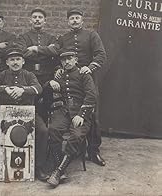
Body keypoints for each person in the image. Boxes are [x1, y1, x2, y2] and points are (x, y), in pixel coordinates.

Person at [0, 45, 49, 181]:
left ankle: (39, 167)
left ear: (23, 61)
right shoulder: (1, 75)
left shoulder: (29, 75)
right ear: (7, 62)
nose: (15, 62)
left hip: (27, 114)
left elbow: (38, 88)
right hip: (5, 114)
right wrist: (5, 89)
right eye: (12, 60)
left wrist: (23, 90)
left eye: (18, 59)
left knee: (43, 131)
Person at [55, 8, 107, 166]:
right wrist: (58, 69)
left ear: (82, 20)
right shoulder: (63, 38)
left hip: (87, 77)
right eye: (71, 18)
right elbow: (56, 55)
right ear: (68, 22)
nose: (75, 21)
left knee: (92, 115)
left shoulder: (92, 35)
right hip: (70, 78)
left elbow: (101, 55)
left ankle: (93, 151)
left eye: (77, 18)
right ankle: (75, 147)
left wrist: (90, 67)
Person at [45, 51, 97, 187]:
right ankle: (59, 169)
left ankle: (58, 171)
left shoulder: (83, 74)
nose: (66, 62)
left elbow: (92, 96)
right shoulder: (60, 75)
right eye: (63, 60)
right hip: (64, 111)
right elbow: (47, 89)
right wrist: (50, 82)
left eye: (69, 59)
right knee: (53, 129)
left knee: (77, 135)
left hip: (80, 112)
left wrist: (82, 114)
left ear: (75, 60)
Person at [16, 7, 58, 123]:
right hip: (29, 75)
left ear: (45, 21)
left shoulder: (51, 38)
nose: (37, 20)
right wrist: (46, 51)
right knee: (29, 103)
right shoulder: (23, 37)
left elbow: (55, 51)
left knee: (45, 105)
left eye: (40, 17)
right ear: (30, 20)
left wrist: (36, 49)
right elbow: (22, 52)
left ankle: (43, 135)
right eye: (34, 17)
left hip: (46, 76)